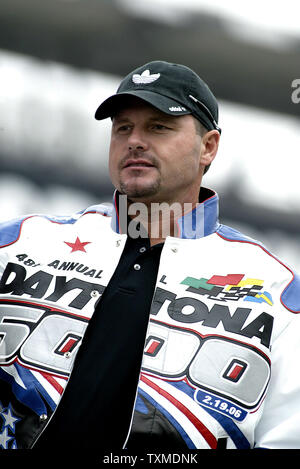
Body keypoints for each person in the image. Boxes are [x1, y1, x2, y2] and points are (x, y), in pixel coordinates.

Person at [0, 60, 300, 451]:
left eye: (159, 126)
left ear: (208, 147)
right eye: (123, 127)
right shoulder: (20, 243)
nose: (135, 141)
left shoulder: (279, 292)